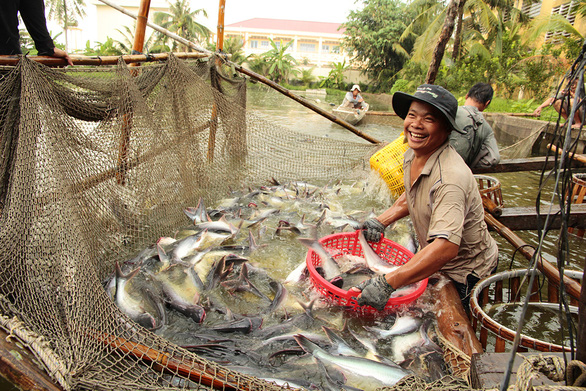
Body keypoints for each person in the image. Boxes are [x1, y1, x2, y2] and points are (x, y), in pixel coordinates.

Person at [352, 84, 498, 313]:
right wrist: (382, 220)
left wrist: (387, 282)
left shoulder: (450, 178)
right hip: (436, 258)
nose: (416, 125)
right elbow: (412, 194)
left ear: (447, 128)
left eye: (429, 119)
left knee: (453, 325)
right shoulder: (413, 153)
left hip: (465, 271)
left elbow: (446, 248)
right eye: (412, 115)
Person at [0, 0, 73, 66]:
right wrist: (47, 47)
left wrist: (47, 47)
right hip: (7, 59)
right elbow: (31, 6)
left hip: (7, 58)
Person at [450, 82, 500, 168]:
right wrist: (470, 165)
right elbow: (494, 158)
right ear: (487, 103)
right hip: (460, 175)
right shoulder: (486, 127)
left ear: (467, 95)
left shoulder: (450, 112)